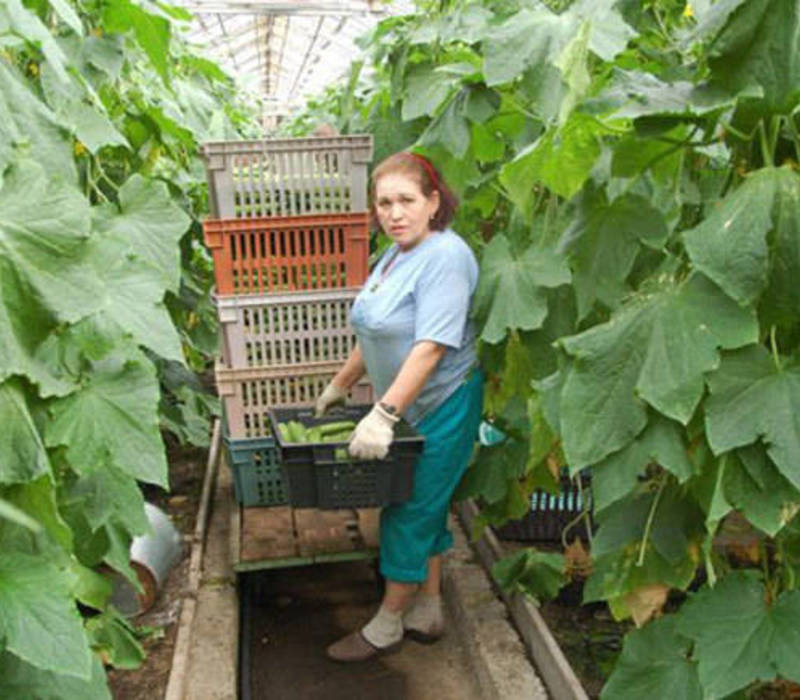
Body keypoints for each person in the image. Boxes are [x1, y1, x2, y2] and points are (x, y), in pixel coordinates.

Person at [314, 151, 484, 662]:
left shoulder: (447, 259)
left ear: (434, 203)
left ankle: (387, 623)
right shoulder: (395, 254)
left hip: (443, 404)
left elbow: (430, 348)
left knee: (407, 512)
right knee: (424, 505)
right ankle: (429, 609)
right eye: (384, 203)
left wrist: (383, 414)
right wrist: (341, 383)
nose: (394, 213)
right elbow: (375, 327)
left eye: (406, 201)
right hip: (409, 407)